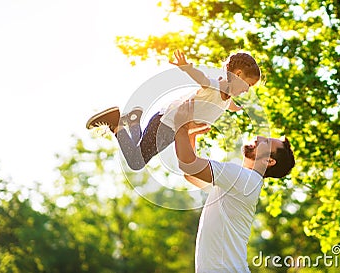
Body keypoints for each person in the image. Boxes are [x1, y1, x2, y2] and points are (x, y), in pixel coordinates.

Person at [86, 49, 262, 170]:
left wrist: (235, 107)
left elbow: (224, 104)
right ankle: (114, 122)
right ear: (238, 75)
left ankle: (133, 122)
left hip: (171, 128)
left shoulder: (227, 98)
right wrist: (186, 67)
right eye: (248, 84)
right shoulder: (215, 87)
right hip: (167, 124)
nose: (247, 90)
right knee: (136, 162)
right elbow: (202, 78)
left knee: (140, 151)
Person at [173, 99, 295, 273]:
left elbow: (188, 165)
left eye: (266, 142)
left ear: (269, 161)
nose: (259, 137)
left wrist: (181, 127)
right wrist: (190, 135)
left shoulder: (242, 179)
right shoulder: (244, 182)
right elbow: (191, 173)